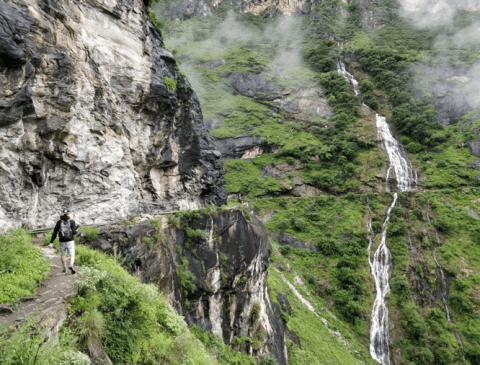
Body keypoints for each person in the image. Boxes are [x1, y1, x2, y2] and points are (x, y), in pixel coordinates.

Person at [50, 208, 78, 274]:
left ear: (62, 213)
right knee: (72, 254)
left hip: (62, 241)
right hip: (70, 241)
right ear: (69, 213)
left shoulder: (59, 222)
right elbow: (74, 232)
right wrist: (75, 231)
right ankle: (71, 265)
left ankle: (64, 268)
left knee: (63, 254)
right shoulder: (72, 221)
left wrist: (51, 241)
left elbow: (55, 232)